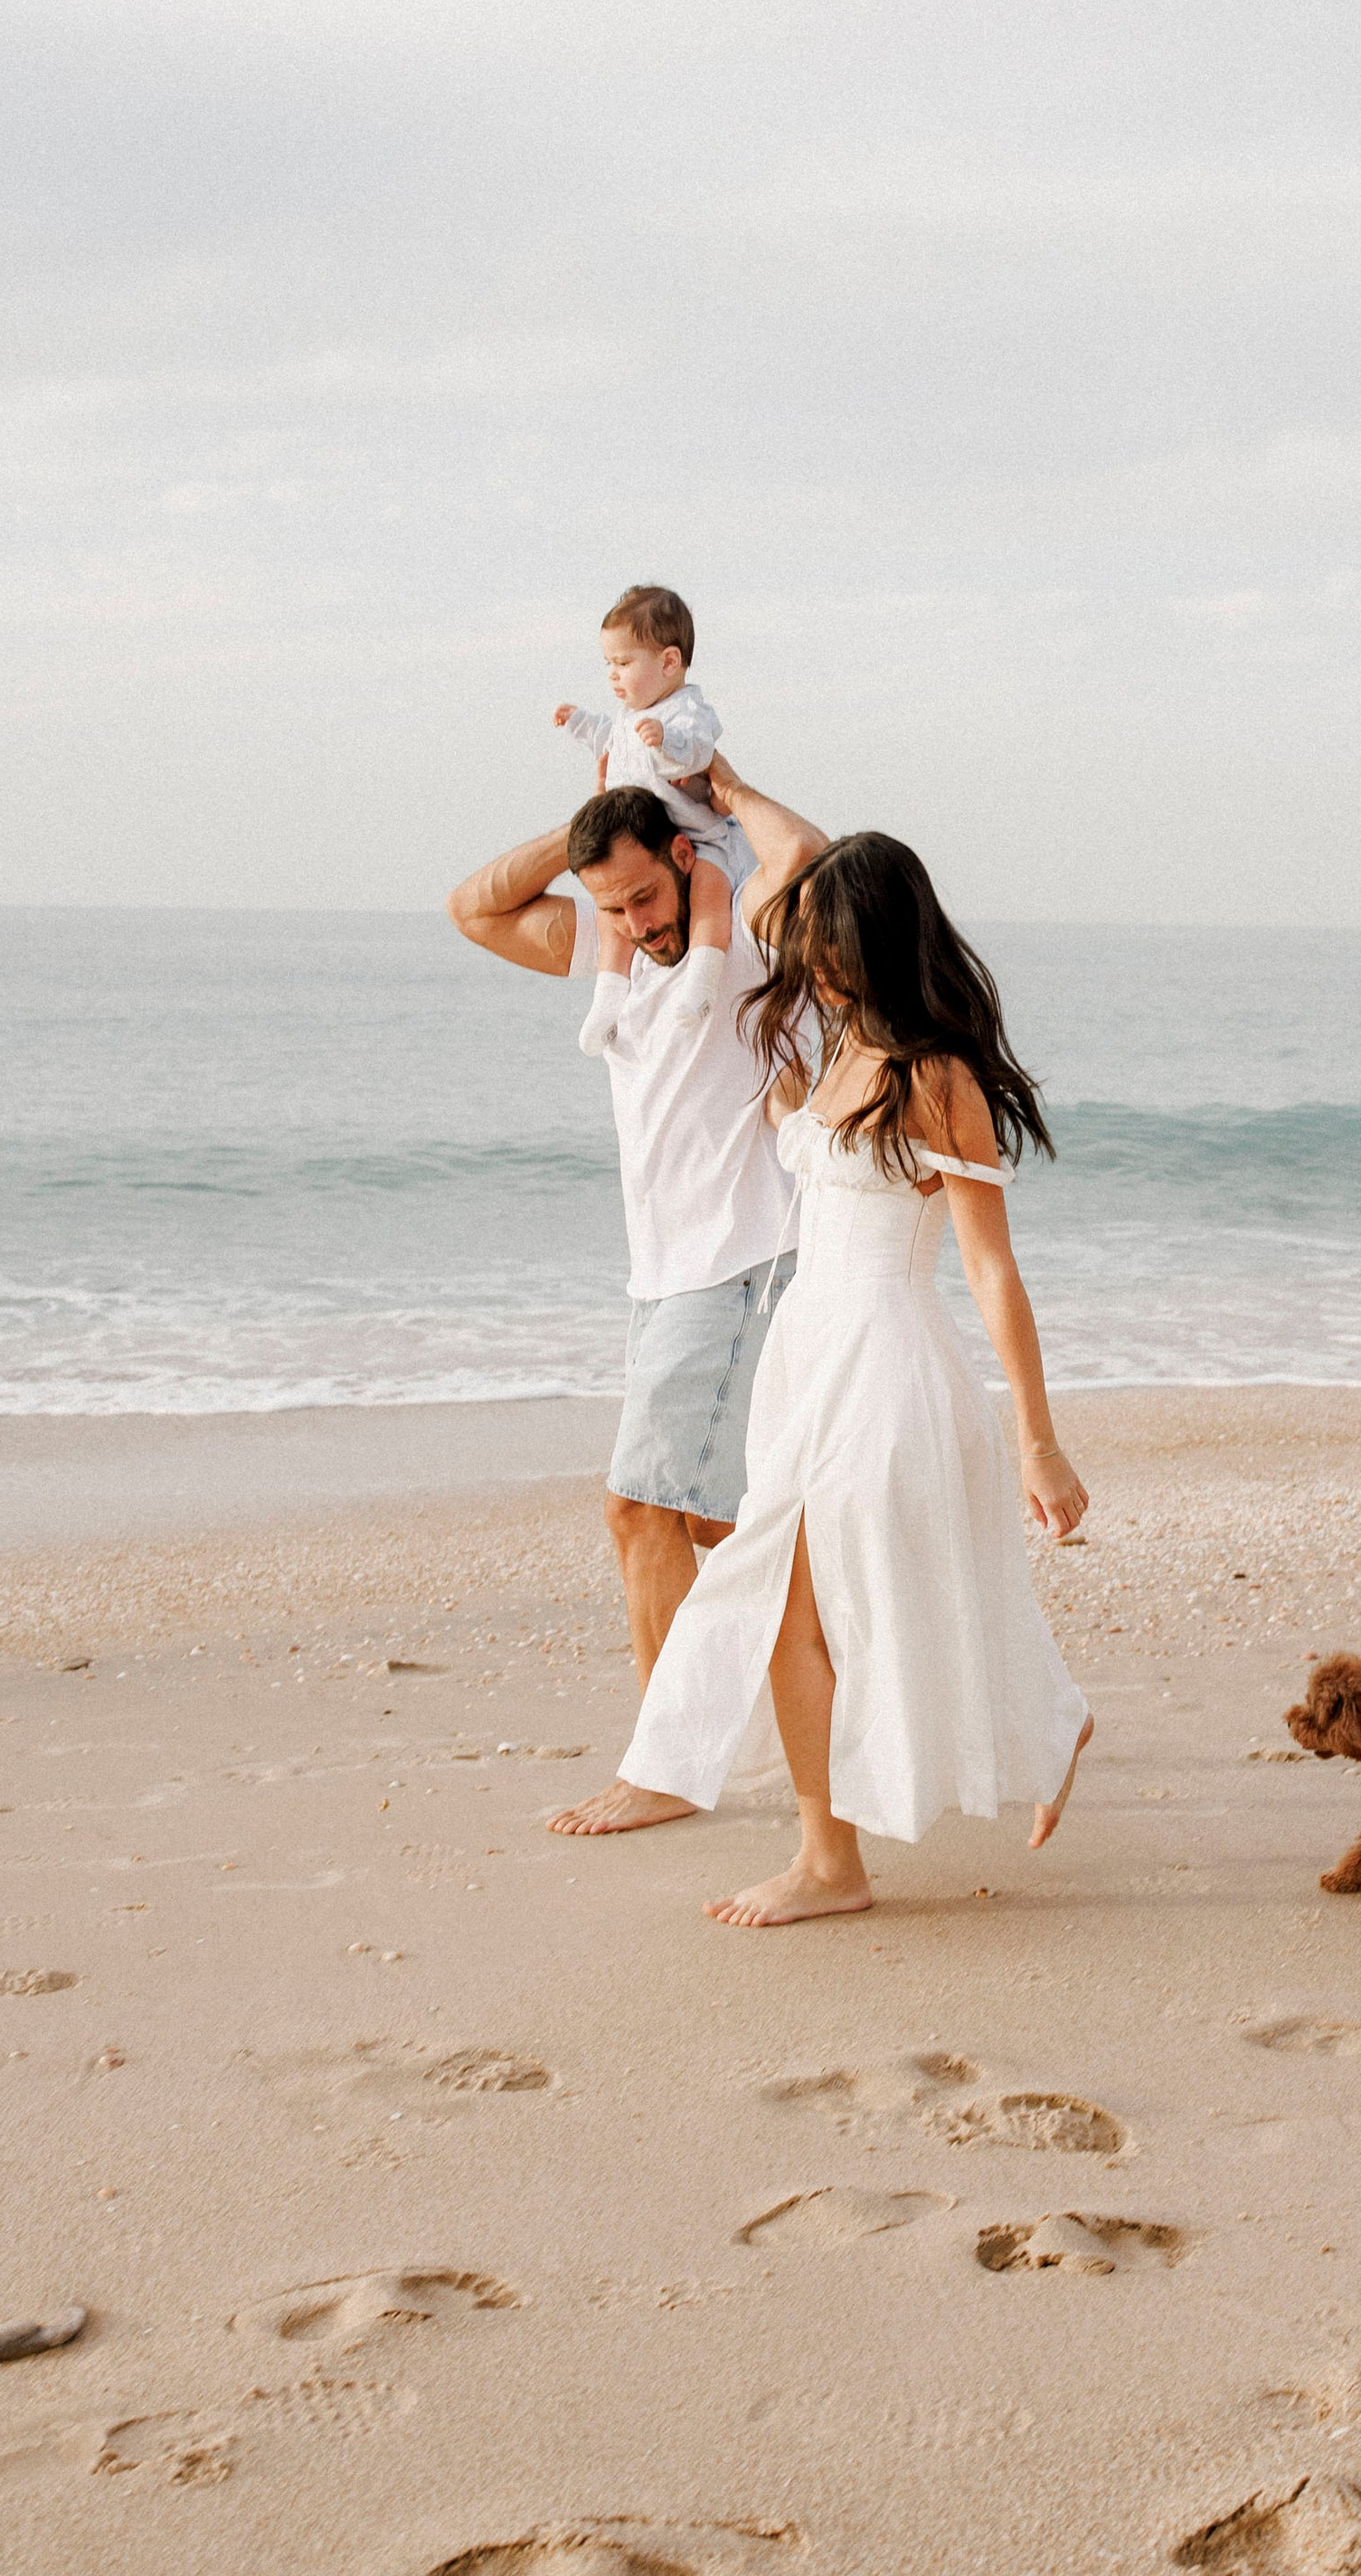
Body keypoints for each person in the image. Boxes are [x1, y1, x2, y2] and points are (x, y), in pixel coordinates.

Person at [617, 831, 1094, 1929]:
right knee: (839, 1601)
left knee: (832, 1606)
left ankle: (835, 1857)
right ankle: (1027, 1726)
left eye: (831, 948)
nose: (814, 967)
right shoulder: (838, 1050)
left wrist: (1037, 1439)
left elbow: (989, 1264)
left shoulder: (937, 1074)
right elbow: (775, 871)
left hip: (884, 1363)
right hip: (806, 1355)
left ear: (875, 943)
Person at [445, 753, 828, 1834]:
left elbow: (802, 854)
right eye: (610, 905)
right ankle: (885, 1693)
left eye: (646, 895)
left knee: (640, 1507)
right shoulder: (615, 949)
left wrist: (714, 796)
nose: (636, 921)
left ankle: (666, 1765)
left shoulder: (744, 941)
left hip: (746, 1259)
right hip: (664, 1274)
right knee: (730, 1521)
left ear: (682, 859)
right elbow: (473, 905)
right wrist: (588, 830)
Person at [552, 583, 744, 1054]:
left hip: (697, 834)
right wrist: (578, 722)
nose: (613, 676)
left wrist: (666, 742)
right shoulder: (625, 716)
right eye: (608, 665)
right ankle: (607, 999)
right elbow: (606, 737)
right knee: (615, 917)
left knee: (710, 893)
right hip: (637, 839)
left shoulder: (686, 711)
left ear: (669, 662)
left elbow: (699, 751)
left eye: (623, 663)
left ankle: (701, 978)